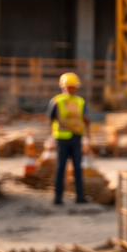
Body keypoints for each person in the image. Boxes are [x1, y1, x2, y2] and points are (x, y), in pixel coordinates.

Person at [48, 72, 88, 206]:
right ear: (63, 87)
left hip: (76, 138)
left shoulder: (80, 102)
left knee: (77, 167)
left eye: (72, 87)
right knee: (61, 168)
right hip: (62, 139)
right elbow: (51, 118)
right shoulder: (57, 101)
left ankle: (80, 196)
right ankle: (58, 197)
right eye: (68, 87)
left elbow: (85, 119)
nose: (70, 89)